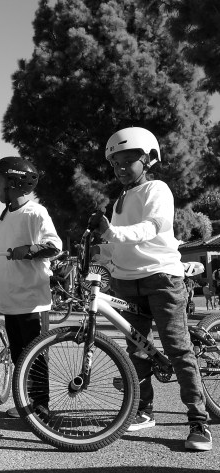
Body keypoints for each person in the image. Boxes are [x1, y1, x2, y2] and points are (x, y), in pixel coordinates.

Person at [89, 127, 211, 451]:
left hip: (161, 278)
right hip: (126, 282)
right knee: (137, 349)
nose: (120, 169)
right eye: (115, 164)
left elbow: (148, 229)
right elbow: (117, 245)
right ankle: (144, 411)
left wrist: (112, 232)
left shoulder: (157, 190)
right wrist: (98, 255)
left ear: (148, 160)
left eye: (128, 161)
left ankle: (198, 422)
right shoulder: (120, 200)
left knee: (176, 347)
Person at [0, 156, 61, 419]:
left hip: (33, 300)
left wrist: (28, 250)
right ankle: (25, 404)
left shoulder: (35, 213)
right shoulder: (3, 217)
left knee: (36, 359)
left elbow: (54, 246)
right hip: (10, 300)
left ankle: (41, 407)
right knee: (20, 357)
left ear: (14, 184)